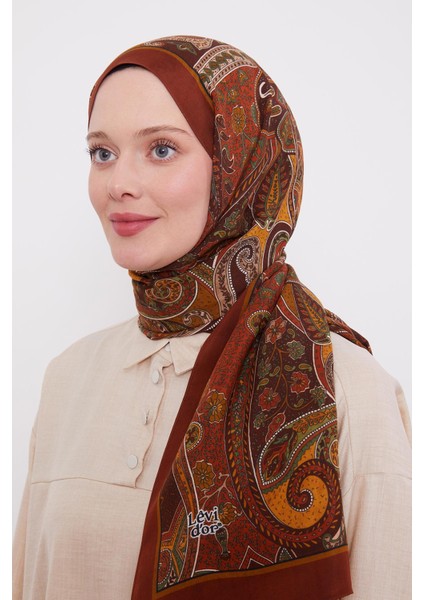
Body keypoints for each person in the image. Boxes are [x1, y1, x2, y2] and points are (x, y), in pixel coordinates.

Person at [13, 35, 411, 600]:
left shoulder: (345, 388)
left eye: (161, 149)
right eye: (102, 153)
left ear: (240, 168)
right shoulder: (68, 379)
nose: (118, 183)